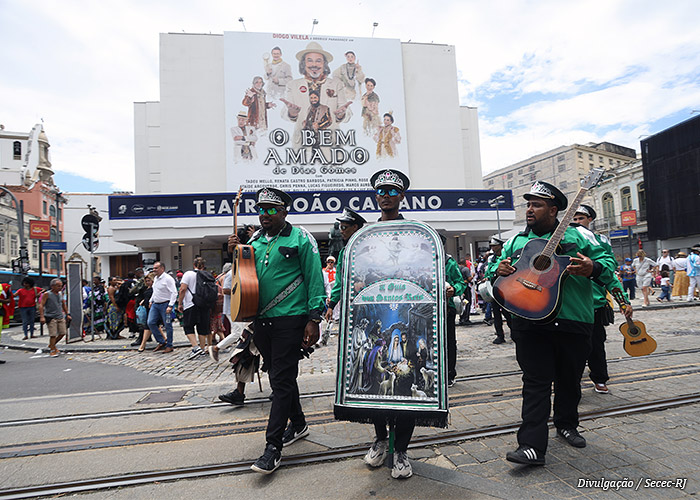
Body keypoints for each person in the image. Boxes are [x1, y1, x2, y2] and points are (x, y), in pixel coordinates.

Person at [495, 181, 621, 466]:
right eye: (528, 204)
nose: (529, 209)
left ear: (554, 210)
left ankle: (567, 424)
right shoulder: (516, 241)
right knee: (535, 383)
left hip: (573, 318)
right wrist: (497, 269)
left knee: (569, 379)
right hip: (529, 319)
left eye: (536, 205)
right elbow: (497, 268)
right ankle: (531, 446)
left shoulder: (582, 236)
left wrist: (594, 267)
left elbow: (609, 265)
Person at [227, 187, 325, 475]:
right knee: (278, 375)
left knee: (281, 381)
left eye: (271, 210)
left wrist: (314, 318)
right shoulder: (254, 241)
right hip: (262, 321)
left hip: (291, 320)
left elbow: (314, 278)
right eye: (261, 209)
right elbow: (243, 279)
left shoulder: (301, 238)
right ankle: (299, 423)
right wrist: (235, 252)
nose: (264, 214)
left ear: (284, 212)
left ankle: (273, 448)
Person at [360, 168, 418, 480]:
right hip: (376, 315)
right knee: (375, 383)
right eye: (381, 190)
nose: (386, 195)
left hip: (406, 315)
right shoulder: (366, 236)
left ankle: (401, 449)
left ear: (402, 196)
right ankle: (381, 438)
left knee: (405, 385)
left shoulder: (415, 233)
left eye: (392, 191)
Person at [572, 204, 632, 395]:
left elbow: (610, 274)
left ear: (590, 220)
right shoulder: (565, 238)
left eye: (581, 218)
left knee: (596, 345)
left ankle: (599, 378)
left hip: (595, 303)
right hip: (571, 304)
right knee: (570, 349)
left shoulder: (600, 241)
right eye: (574, 218)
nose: (576, 221)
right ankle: (570, 383)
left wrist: (624, 302)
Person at [280, 41, 352, 147]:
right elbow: (284, 114)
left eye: (318, 61)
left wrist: (341, 115)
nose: (314, 64)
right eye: (309, 61)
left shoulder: (337, 84)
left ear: (324, 64)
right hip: (302, 146)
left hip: (330, 146)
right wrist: (292, 113)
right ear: (304, 64)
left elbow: (348, 114)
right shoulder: (293, 85)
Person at [441, 234, 466, 387]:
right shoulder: (419, 262)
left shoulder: (449, 262)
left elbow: (460, 283)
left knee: (449, 341)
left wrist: (453, 289)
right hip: (426, 310)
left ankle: (450, 373)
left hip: (446, 308)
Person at [178, 257, 213, 359]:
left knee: (188, 326)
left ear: (194, 264)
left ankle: (195, 347)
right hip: (204, 304)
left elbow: (183, 289)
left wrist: (180, 303)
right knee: (202, 327)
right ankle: (202, 350)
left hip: (191, 304)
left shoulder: (188, 274)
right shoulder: (207, 275)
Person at [147, 261, 178, 353]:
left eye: (156, 268)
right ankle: (161, 341)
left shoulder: (168, 279)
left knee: (167, 325)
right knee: (151, 322)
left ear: (162, 268)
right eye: (154, 268)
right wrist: (151, 300)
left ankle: (169, 345)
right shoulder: (156, 278)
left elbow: (174, 292)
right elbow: (155, 291)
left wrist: (170, 305)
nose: (154, 270)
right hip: (156, 304)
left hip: (165, 304)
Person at [483, 237, 509, 344]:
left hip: (506, 289)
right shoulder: (491, 259)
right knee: (496, 314)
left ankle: (514, 331)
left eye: (494, 246)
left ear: (500, 246)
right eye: (492, 246)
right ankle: (500, 335)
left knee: (508, 313)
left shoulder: (505, 256)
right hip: (495, 289)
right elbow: (488, 272)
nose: (493, 248)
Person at [39, 278, 71, 357]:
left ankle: (52, 345)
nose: (60, 288)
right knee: (52, 334)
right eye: (58, 286)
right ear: (52, 286)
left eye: (61, 286)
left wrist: (67, 314)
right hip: (51, 317)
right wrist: (42, 316)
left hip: (60, 316)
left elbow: (63, 304)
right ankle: (52, 349)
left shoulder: (60, 294)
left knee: (62, 332)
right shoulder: (47, 294)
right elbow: (41, 305)